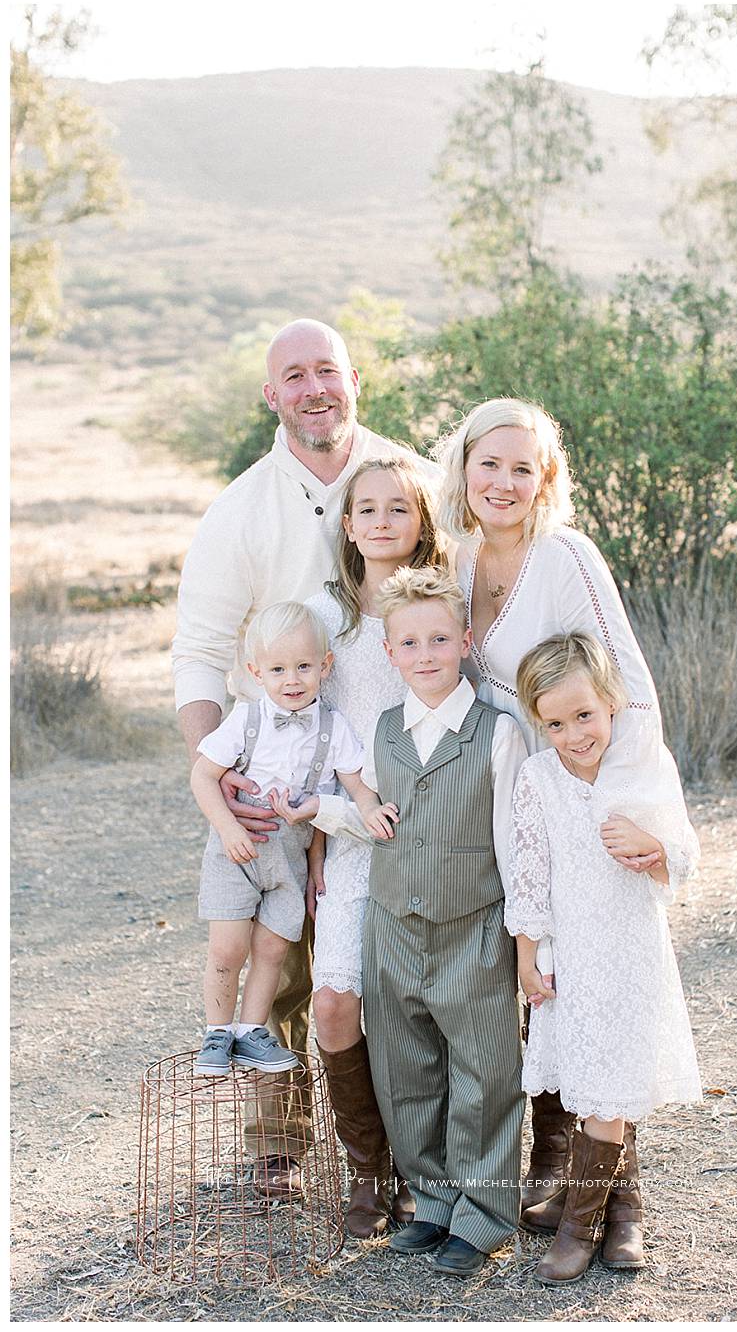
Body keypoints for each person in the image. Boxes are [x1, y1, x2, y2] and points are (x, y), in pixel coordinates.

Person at [172, 318, 437, 1190]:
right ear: (271, 395)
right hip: (272, 773)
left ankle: (406, 1149)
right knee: (275, 960)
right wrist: (221, 772)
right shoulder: (239, 510)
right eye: (295, 374)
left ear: (356, 378)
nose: (314, 387)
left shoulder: (411, 481)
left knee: (395, 961)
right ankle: (276, 1147)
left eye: (328, 369)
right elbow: (202, 652)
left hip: (390, 768)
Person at [435, 396, 669, 1252]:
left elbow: (633, 690)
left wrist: (628, 813)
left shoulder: (566, 556)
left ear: (545, 482)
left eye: (521, 468)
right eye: (488, 463)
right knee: (541, 986)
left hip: (580, 800)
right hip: (502, 802)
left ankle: (623, 1206)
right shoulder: (455, 559)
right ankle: (558, 1172)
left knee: (598, 988)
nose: (502, 481)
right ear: (463, 466)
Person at [290, 566, 528, 1277]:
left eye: (438, 639)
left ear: (464, 640)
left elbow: (516, 846)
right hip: (394, 928)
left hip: (475, 927)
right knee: (407, 1070)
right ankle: (430, 1201)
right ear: (389, 653)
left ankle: (481, 1216)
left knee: (483, 1073)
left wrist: (523, 940)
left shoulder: (496, 733)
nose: (426, 654)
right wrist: (321, 814)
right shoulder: (382, 732)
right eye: (410, 643)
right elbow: (373, 820)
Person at [507, 632, 702, 1284]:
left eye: (584, 715)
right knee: (594, 1084)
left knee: (610, 1090)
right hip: (573, 951)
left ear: (612, 704)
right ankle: (621, 1208)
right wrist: (527, 953)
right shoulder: (538, 779)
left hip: (630, 950)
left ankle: (583, 1225)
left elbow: (684, 849)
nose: (573, 734)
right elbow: (529, 876)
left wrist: (652, 843)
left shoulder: (640, 766)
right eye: (555, 723)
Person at [300, 455, 448, 1237]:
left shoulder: (441, 603)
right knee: (334, 1000)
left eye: (400, 507)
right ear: (348, 525)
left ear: (421, 519)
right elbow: (310, 734)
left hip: (441, 835)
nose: (384, 520)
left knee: (423, 1011)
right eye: (368, 508)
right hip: (356, 835)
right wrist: (321, 837)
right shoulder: (328, 622)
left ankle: (433, 1171)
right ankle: (368, 1171)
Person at [190, 601, 384, 1078]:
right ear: (257, 672)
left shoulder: (333, 726)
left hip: (290, 860)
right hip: (237, 851)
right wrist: (229, 828)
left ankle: (251, 1031)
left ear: (326, 666)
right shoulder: (246, 719)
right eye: (278, 669)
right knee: (228, 949)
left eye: (303, 667)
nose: (292, 679)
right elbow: (202, 777)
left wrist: (369, 810)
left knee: (274, 951)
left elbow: (353, 784)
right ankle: (217, 1031)